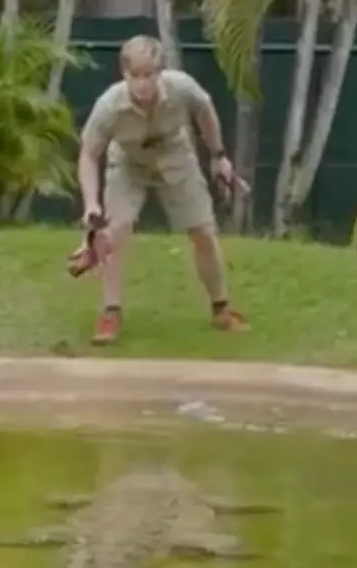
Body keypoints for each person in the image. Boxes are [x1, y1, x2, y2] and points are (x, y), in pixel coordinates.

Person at [76, 35, 250, 346]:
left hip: (175, 155)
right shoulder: (109, 107)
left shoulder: (182, 88)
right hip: (128, 163)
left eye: (149, 74)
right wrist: (91, 206)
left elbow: (206, 111)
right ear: (124, 75)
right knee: (112, 235)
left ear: (160, 72)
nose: (143, 84)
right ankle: (110, 314)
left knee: (202, 231)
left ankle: (221, 308)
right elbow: (89, 155)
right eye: (135, 76)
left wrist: (219, 156)